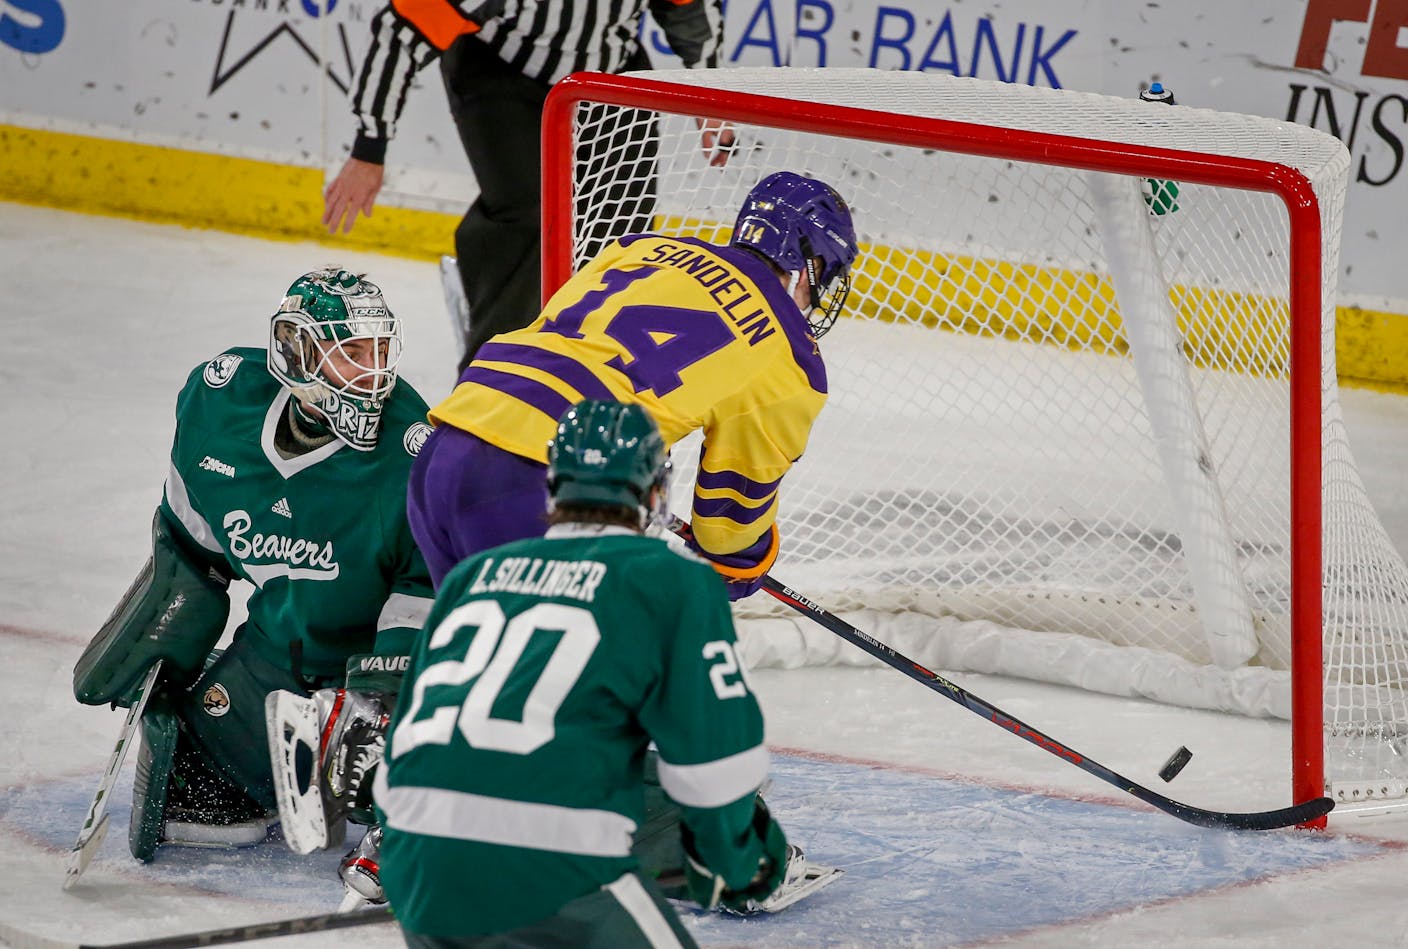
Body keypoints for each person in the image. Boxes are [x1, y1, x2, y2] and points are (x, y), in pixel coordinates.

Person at [378, 398, 805, 946]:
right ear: (655, 490)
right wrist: (740, 861)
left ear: (553, 486)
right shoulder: (671, 581)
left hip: (416, 856)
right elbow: (714, 760)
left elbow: (406, 737)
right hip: (556, 864)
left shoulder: (474, 574)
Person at [71, 268, 435, 908]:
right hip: (279, 648)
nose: (374, 372)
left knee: (413, 784)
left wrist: (383, 694)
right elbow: (195, 543)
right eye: (352, 352)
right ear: (296, 349)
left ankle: (395, 787)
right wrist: (171, 605)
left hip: (374, 661)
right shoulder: (222, 406)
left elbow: (428, 583)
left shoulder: (414, 451)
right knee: (193, 782)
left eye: (380, 351)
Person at [407, 170, 860, 601]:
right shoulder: (791, 358)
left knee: (463, 662)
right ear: (810, 262)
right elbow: (726, 531)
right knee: (551, 672)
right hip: (544, 485)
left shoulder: (638, 248)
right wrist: (745, 564)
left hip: (448, 440)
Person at [323, 0, 736, 373]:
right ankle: (491, 377)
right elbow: (403, 27)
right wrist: (369, 149)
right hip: (501, 67)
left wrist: (711, 97)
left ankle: (590, 377)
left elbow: (687, 11)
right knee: (533, 215)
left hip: (608, 73)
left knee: (616, 236)